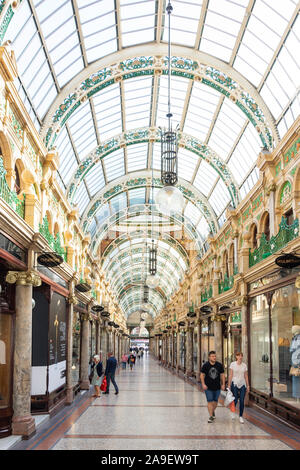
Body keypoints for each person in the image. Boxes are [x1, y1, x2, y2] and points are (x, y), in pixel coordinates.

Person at [200, 350, 225, 423]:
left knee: (215, 402)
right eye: (212, 356)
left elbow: (222, 375)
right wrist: (203, 384)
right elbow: (202, 375)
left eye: (215, 356)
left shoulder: (219, 365)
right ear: (209, 357)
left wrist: (223, 384)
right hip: (208, 387)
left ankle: (212, 411)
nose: (214, 357)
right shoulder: (206, 365)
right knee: (210, 401)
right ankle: (211, 416)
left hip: (217, 387)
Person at [228, 351, 249, 423]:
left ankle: (240, 416)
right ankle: (233, 412)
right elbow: (230, 375)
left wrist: (248, 385)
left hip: (242, 384)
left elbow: (246, 376)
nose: (240, 357)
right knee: (235, 399)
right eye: (238, 356)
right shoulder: (232, 364)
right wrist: (229, 384)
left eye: (241, 356)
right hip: (235, 383)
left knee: (242, 400)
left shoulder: (244, 365)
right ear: (236, 357)